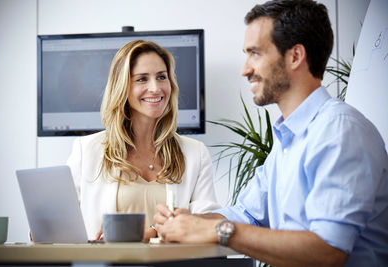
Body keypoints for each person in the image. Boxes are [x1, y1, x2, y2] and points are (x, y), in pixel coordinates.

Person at [154, 0, 388, 266]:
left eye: (255, 53)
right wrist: (187, 222)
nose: (245, 69)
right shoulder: (289, 139)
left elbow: (327, 251)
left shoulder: (340, 131)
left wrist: (218, 231)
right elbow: (247, 214)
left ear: (295, 56)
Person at [67, 40, 220, 241]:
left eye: (161, 77)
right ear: (122, 86)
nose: (155, 88)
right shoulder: (86, 150)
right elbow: (61, 221)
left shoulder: (195, 153)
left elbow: (209, 220)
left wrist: (154, 231)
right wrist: (42, 231)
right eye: (141, 79)